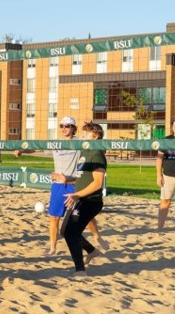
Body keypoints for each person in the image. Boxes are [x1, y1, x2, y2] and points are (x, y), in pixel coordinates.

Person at [14, 116, 108, 255]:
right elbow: (37, 148)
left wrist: (91, 125)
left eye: (68, 126)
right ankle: (52, 248)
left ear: (74, 128)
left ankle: (97, 236)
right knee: (54, 217)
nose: (64, 128)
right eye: (62, 126)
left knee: (84, 217)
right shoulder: (56, 143)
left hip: (74, 183)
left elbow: (96, 141)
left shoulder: (79, 142)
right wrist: (21, 151)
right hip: (58, 185)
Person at [61, 122, 107, 277]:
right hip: (81, 199)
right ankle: (91, 251)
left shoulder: (96, 153)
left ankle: (80, 270)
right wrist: (67, 180)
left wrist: (77, 195)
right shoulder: (85, 152)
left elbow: (98, 183)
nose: (83, 136)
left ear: (96, 136)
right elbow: (83, 178)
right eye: (83, 133)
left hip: (90, 201)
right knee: (66, 231)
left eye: (86, 134)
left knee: (71, 232)